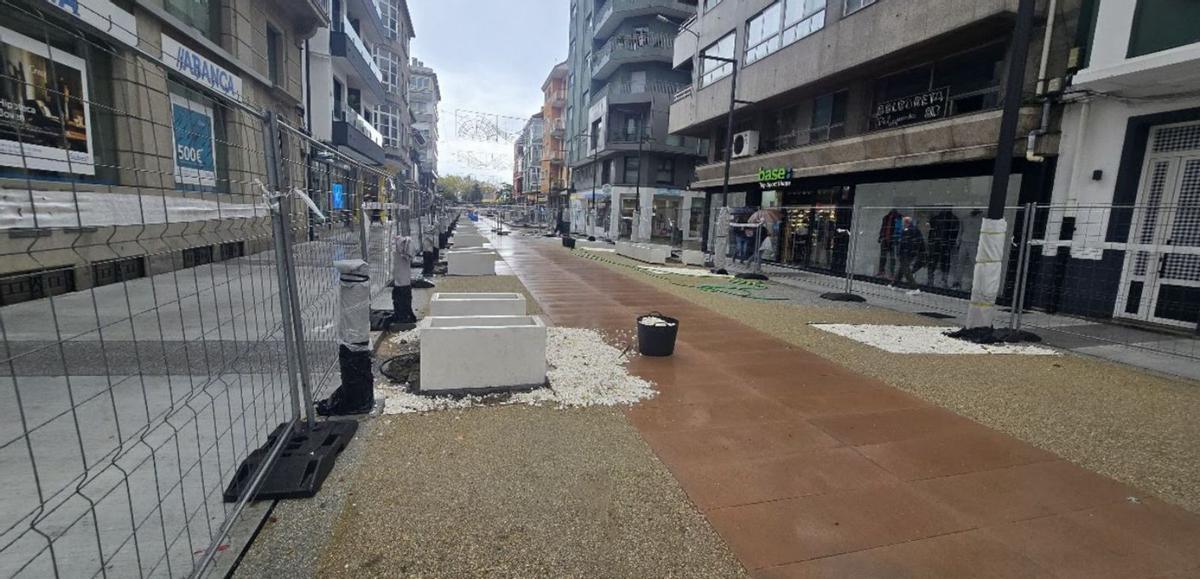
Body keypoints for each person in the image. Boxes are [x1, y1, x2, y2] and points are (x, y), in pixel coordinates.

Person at [895, 216, 926, 287]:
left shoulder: (910, 230)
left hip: (907, 253)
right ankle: (894, 284)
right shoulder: (910, 230)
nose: (903, 224)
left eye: (904, 222)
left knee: (906, 269)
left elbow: (904, 243)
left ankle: (914, 287)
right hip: (908, 253)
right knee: (902, 268)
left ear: (906, 222)